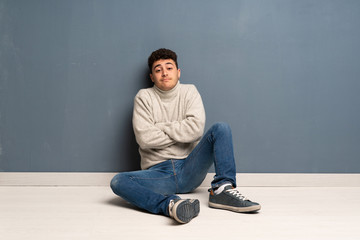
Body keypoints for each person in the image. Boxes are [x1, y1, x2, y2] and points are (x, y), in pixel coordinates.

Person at [110, 48, 261, 224]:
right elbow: (145, 139)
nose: (164, 73)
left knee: (221, 128)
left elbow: (195, 130)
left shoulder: (190, 92)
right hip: (159, 174)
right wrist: (181, 131)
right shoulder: (144, 97)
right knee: (118, 181)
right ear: (152, 77)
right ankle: (171, 205)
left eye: (169, 67)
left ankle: (222, 190)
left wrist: (160, 127)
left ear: (178, 72)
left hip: (190, 167)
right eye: (158, 70)